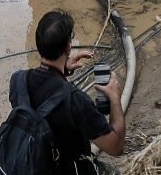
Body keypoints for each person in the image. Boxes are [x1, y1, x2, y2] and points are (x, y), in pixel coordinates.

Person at [13, 10, 125, 174]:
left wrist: (63, 70)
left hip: (32, 163)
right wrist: (114, 97)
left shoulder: (17, 82)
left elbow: (41, 99)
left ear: (38, 45)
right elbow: (116, 147)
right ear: (68, 47)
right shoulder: (76, 101)